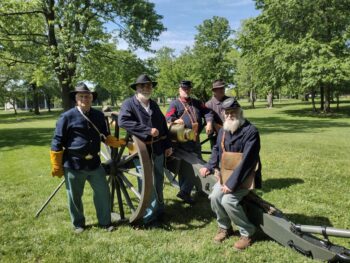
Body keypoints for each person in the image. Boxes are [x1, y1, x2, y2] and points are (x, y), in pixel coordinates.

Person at [50, 83, 125, 233]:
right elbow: (57, 141)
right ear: (76, 99)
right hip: (74, 163)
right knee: (74, 197)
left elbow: (104, 134)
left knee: (103, 193)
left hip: (95, 164)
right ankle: (78, 224)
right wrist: (56, 164)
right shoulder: (66, 117)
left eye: (88, 96)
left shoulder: (98, 115)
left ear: (92, 98)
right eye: (81, 96)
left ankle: (105, 222)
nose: (85, 99)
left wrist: (113, 141)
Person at [199, 97, 262, 250]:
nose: (229, 115)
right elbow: (216, 150)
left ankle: (247, 232)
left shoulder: (251, 131)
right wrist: (209, 165)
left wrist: (231, 183)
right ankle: (225, 227)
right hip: (226, 175)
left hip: (245, 176)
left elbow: (248, 161)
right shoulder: (223, 130)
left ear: (240, 112)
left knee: (228, 201)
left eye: (232, 112)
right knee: (214, 197)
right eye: (226, 113)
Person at [118, 74, 173, 225]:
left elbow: (163, 126)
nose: (146, 88)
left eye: (148, 86)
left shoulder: (153, 104)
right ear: (136, 88)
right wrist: (146, 130)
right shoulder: (129, 104)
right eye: (142, 86)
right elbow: (122, 121)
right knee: (147, 184)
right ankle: (149, 217)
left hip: (158, 149)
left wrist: (168, 145)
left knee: (159, 179)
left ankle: (160, 211)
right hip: (140, 151)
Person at [165, 80, 213, 204]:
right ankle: (185, 192)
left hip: (195, 140)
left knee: (200, 164)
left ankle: (200, 189)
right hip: (182, 142)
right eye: (184, 89)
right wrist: (175, 121)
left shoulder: (196, 103)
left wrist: (209, 123)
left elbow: (207, 112)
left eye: (188, 89)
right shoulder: (175, 104)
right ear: (179, 90)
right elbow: (168, 118)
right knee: (189, 167)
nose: (186, 91)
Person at [205, 79, 230, 147]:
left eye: (223, 88)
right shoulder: (208, 104)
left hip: (231, 134)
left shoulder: (231, 101)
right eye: (219, 88)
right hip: (216, 136)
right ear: (214, 91)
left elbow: (239, 114)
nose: (222, 90)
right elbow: (208, 119)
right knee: (217, 155)